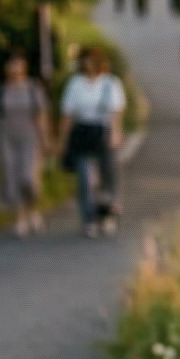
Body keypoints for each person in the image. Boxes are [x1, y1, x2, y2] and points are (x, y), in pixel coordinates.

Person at [60, 46, 126, 237]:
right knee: (85, 178)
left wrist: (115, 132)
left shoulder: (110, 83)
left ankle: (107, 215)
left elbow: (116, 111)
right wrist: (63, 139)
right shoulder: (75, 84)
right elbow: (68, 113)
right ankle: (89, 218)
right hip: (82, 131)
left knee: (107, 176)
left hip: (103, 130)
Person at [0, 52, 52, 236]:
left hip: (30, 137)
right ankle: (20, 218)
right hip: (6, 138)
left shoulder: (33, 88)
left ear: (24, 67)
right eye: (11, 65)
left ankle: (33, 209)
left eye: (18, 65)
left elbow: (40, 115)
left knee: (28, 179)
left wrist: (45, 139)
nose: (14, 69)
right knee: (12, 179)